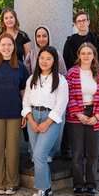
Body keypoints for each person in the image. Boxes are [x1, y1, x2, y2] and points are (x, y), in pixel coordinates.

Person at [0, 33, 29, 195]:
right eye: (3, 45)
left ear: (14, 47)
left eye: (9, 45)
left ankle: (12, 183)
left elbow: (24, 92)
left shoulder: (21, 66)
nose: (6, 48)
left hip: (15, 113)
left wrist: (25, 113)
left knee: (13, 150)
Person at [22, 45, 68, 196]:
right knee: (37, 156)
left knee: (40, 155)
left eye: (49, 58)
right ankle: (47, 186)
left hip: (51, 119)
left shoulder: (61, 80)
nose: (45, 61)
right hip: (33, 117)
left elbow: (61, 105)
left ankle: (42, 190)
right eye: (42, 58)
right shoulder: (31, 79)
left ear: (54, 61)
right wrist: (31, 120)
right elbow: (26, 101)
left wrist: (46, 123)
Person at [61, 10, 99, 159]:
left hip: (92, 78)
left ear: (88, 21)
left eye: (84, 20)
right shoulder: (70, 41)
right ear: (75, 24)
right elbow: (67, 62)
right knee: (74, 126)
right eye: (78, 21)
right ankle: (66, 148)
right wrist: (74, 77)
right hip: (75, 81)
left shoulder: (96, 39)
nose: (81, 23)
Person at [66, 42, 99, 196]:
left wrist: (97, 116)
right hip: (76, 114)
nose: (86, 56)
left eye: (89, 53)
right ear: (79, 55)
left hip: (94, 112)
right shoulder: (71, 73)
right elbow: (68, 95)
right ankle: (78, 184)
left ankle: (91, 183)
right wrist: (79, 114)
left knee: (92, 152)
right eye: (83, 53)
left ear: (93, 55)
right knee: (77, 152)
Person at [24, 26, 67, 162]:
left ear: (49, 37)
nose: (41, 39)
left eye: (44, 36)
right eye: (38, 36)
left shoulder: (57, 55)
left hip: (51, 101)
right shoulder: (30, 54)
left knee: (46, 151)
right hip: (34, 98)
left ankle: (50, 156)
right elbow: (27, 74)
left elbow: (63, 74)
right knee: (35, 151)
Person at [0, 7, 31, 147]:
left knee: (20, 109)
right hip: (1, 76)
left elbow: (29, 58)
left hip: (18, 75)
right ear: (3, 20)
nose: (9, 20)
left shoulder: (23, 36)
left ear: (15, 18)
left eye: (11, 17)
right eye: (6, 17)